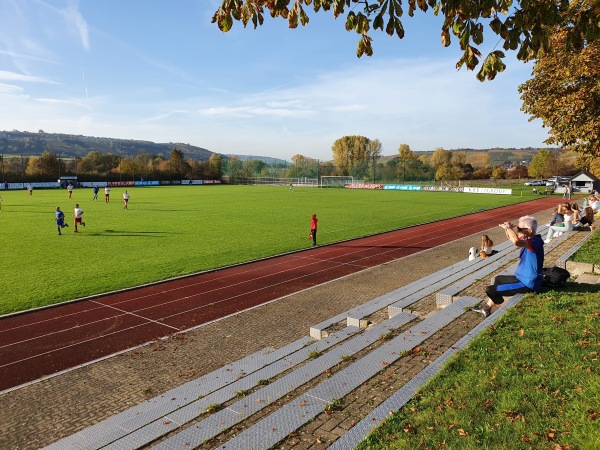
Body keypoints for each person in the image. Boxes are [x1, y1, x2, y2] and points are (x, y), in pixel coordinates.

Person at [473, 216, 544, 318]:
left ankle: (509, 312)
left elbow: (516, 242)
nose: (517, 231)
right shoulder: (529, 238)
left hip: (528, 283)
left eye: (519, 229)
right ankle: (487, 308)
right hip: (521, 278)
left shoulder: (534, 242)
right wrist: (507, 228)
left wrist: (508, 228)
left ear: (529, 230)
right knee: (498, 279)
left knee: (490, 290)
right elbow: (511, 238)